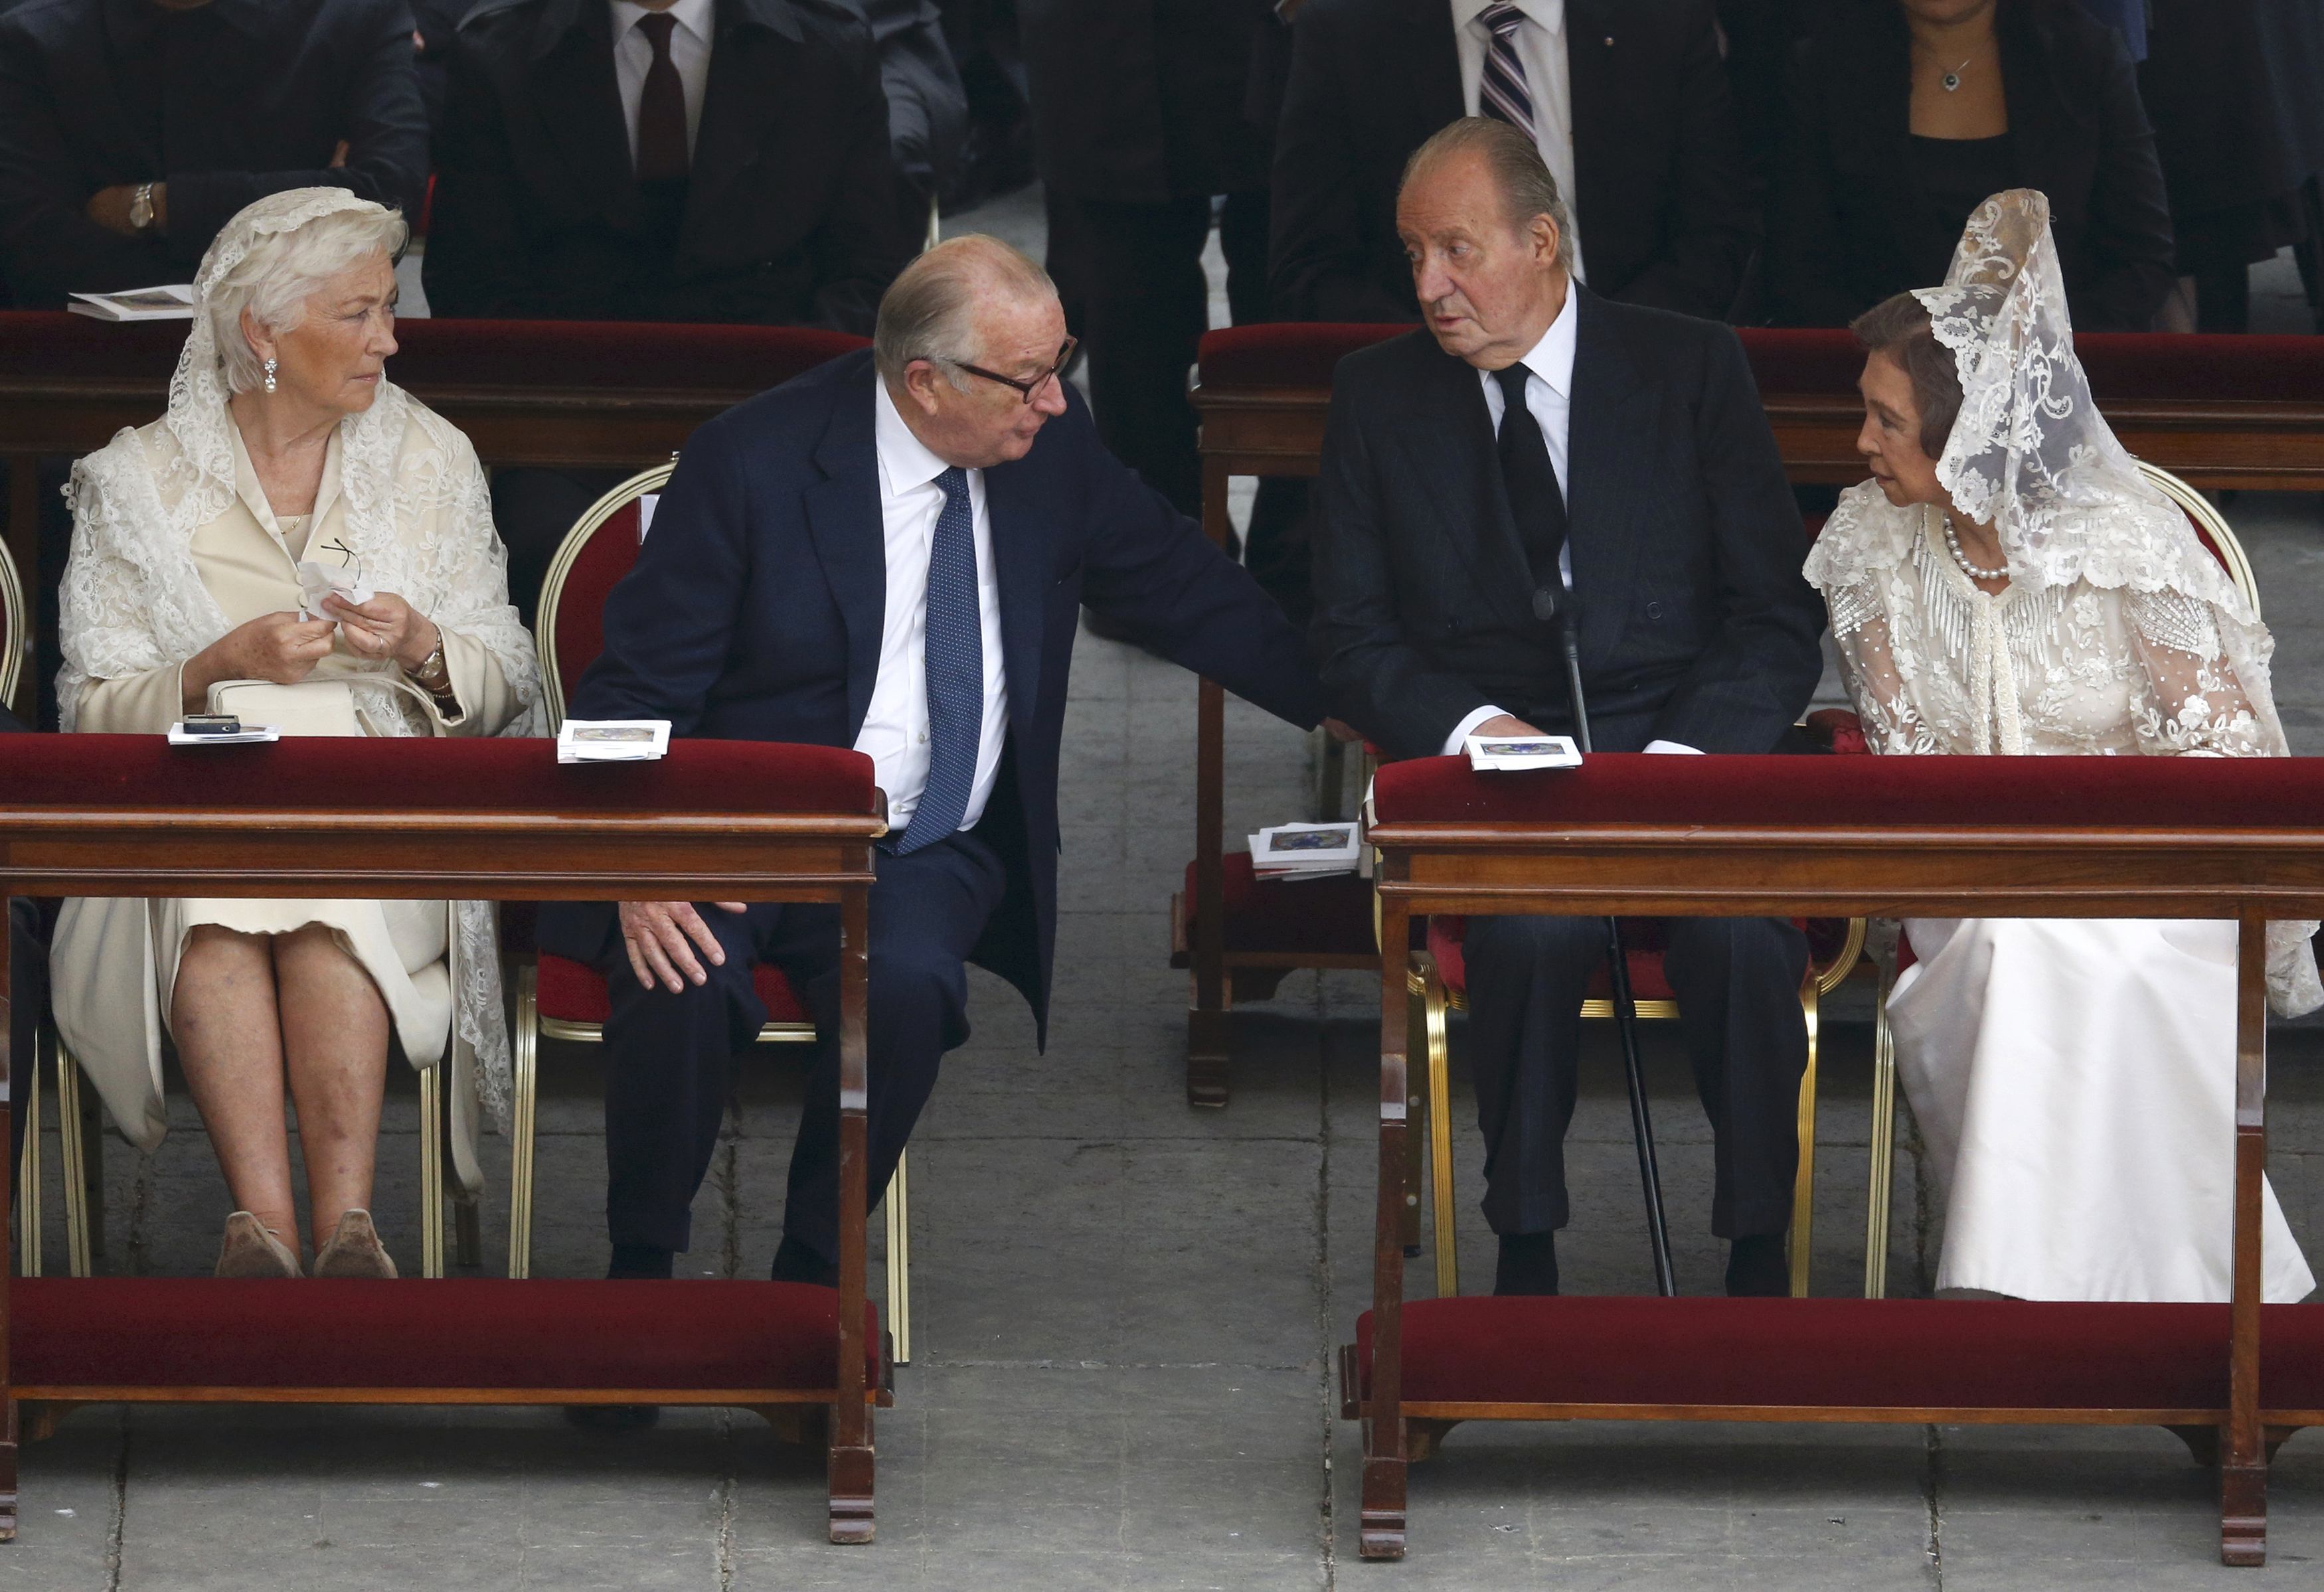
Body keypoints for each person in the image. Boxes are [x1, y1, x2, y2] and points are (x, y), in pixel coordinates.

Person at [537, 236, 1323, 1305]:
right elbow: (628, 692)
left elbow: (1188, 588)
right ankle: (642, 1274)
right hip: (734, 830)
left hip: (919, 840)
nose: (1054, 400)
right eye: (1029, 377)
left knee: (908, 986)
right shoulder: (754, 460)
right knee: (681, 976)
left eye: (1063, 364)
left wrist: (1381, 711)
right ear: (924, 380)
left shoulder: (1050, 450)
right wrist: (645, 853)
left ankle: (814, 1282)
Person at [1310, 119, 1827, 1297]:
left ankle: (1758, 1247)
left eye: (1457, 249)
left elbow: (1773, 617)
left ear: (1542, 242)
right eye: (1413, 255)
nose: (1430, 286)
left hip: (1683, 762)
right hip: (1501, 780)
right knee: (1530, 936)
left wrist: (1691, 758)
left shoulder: (1691, 367)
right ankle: (1523, 1244)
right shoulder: (1378, 395)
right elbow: (1349, 636)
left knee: (1742, 942)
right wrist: (1468, 727)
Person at [1805, 191, 2319, 1303]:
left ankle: (2068, 1287)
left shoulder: (2130, 539)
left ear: (1971, 436)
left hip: (2154, 884)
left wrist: (2110, 862)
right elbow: (1903, 763)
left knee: (2102, 953)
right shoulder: (1870, 549)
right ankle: (2058, 1293)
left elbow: (2229, 761)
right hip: (1966, 887)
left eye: (1887, 420)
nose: (1862, 443)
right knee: (2023, 946)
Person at [52, 190, 540, 1279]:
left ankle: (349, 1231)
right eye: (360, 312)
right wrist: (219, 666)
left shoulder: (433, 459)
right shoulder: (134, 479)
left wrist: (420, 648)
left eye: (388, 306)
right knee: (214, 905)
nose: (390, 336)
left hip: (379, 818)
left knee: (330, 900)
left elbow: (508, 685)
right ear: (264, 333)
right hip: (182, 820)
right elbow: (86, 708)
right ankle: (264, 1234)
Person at [424, 0, 917, 624]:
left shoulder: (828, 44)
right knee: (553, 561)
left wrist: (775, 407)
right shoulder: (498, 50)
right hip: (569, 418)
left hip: (776, 405)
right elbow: (470, 278)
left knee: (800, 572)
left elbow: (866, 274)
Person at [1270, 0, 1758, 325]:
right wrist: (1443, 349)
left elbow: (1715, 240)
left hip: (1633, 377)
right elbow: (1311, 263)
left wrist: (1602, 349)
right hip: (1422, 390)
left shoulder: (1663, 20)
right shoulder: (1346, 28)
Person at [1766, 0, 2176, 333]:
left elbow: (2142, 259)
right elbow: (1799, 269)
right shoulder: (1822, 67)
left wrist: (2034, 351)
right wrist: (1906, 359)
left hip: (2057, 385)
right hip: (1872, 385)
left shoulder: (2087, 57)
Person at [0, 0, 428, 311]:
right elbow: (31, 244)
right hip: (92, 357)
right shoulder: (35, 37)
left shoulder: (355, 17)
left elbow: (387, 199)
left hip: (307, 352)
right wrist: (313, 202)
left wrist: (156, 207)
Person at [1021, 0, 1274, 518]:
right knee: (1133, 320)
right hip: (1105, 41)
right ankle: (1160, 562)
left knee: (1292, 304)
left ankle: (1304, 561)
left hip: (1273, 28)